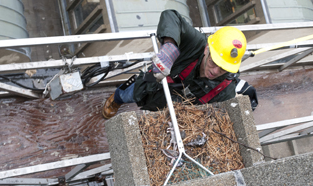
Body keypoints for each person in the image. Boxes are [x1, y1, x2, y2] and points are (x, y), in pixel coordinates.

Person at [102, 10, 257, 119]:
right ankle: (116, 100)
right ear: (207, 50)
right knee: (129, 93)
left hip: (170, 107)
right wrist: (170, 46)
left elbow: (216, 115)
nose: (215, 71)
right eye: (213, 62)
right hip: (157, 76)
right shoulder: (196, 43)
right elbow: (171, 16)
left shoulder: (225, 88)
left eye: (223, 68)